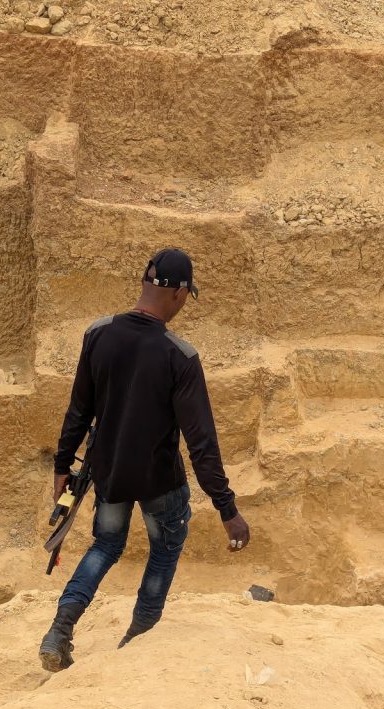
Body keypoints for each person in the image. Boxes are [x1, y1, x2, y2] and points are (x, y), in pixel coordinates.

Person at [39, 247, 251, 672]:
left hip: (110, 473)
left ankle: (60, 629)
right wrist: (227, 509)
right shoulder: (181, 357)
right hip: (159, 481)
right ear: (178, 295)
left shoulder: (99, 333)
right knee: (165, 547)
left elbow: (78, 408)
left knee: (106, 545)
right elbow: (201, 443)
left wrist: (63, 465)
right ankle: (139, 636)